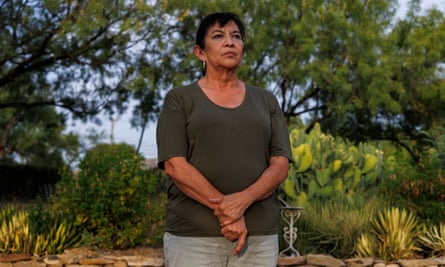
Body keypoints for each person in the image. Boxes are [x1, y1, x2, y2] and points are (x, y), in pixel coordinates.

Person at [156, 12, 292, 267]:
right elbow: (175, 165)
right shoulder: (179, 99)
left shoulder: (266, 101)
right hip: (194, 239)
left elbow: (280, 164)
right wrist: (229, 214)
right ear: (200, 53)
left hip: (258, 239)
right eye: (218, 36)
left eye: (236, 36)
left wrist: (242, 200)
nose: (230, 42)